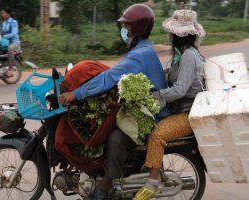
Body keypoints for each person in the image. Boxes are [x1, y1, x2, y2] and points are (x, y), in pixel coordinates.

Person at [59, 4, 170, 200]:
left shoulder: (140, 54)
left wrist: (75, 94)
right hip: (142, 106)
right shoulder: (142, 49)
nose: (124, 31)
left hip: (151, 115)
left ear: (137, 29)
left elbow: (108, 77)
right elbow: (115, 73)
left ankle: (107, 184)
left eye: (127, 28)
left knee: (116, 138)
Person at [134, 9, 206, 200]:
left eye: (172, 32)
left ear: (180, 34)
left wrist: (156, 96)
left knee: (157, 136)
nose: (170, 35)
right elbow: (170, 76)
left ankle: (152, 183)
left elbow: (180, 90)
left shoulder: (190, 56)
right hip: (178, 109)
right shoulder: (179, 54)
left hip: (187, 114)